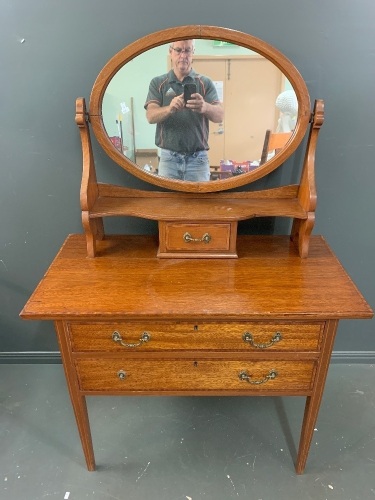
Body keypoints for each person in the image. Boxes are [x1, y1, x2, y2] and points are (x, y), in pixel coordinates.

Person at [144, 39, 224, 181]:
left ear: (193, 53)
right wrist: (169, 109)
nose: (183, 55)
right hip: (169, 160)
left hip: (198, 160)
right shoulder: (158, 83)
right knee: (169, 203)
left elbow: (220, 116)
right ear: (171, 52)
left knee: (199, 203)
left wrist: (204, 107)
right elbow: (150, 116)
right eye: (179, 50)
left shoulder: (205, 83)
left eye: (187, 50)